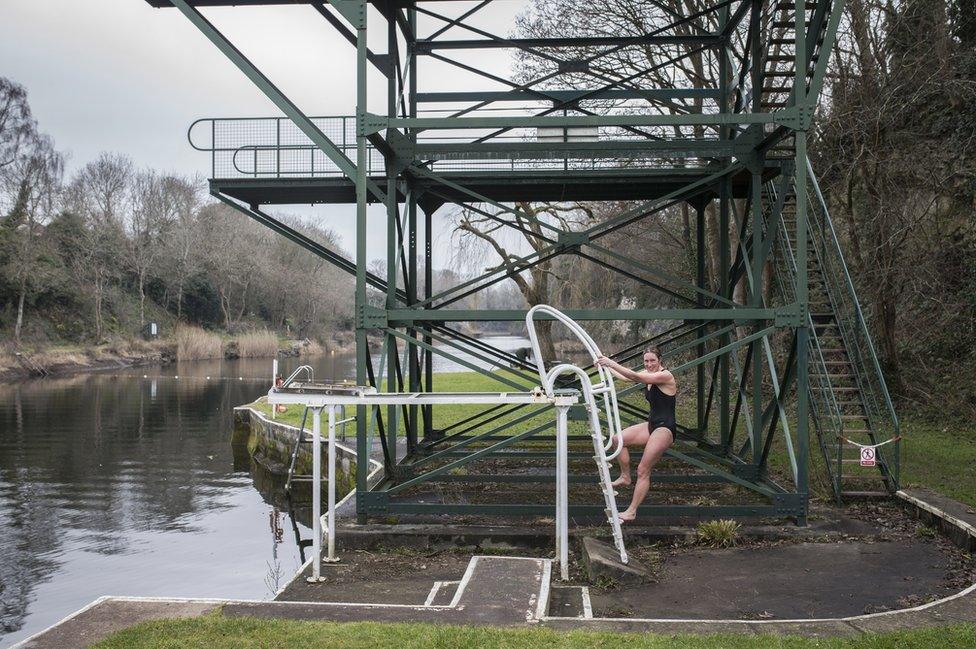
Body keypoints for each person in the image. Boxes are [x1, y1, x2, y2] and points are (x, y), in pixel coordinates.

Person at [596, 347, 677, 523]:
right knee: (618, 440)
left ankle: (632, 511)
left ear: (660, 360)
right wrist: (605, 366)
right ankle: (625, 477)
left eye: (652, 361)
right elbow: (626, 377)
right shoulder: (648, 372)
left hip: (665, 429)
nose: (648, 364)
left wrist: (611, 362)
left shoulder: (665, 376)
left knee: (643, 470)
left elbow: (636, 377)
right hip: (652, 424)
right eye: (646, 361)